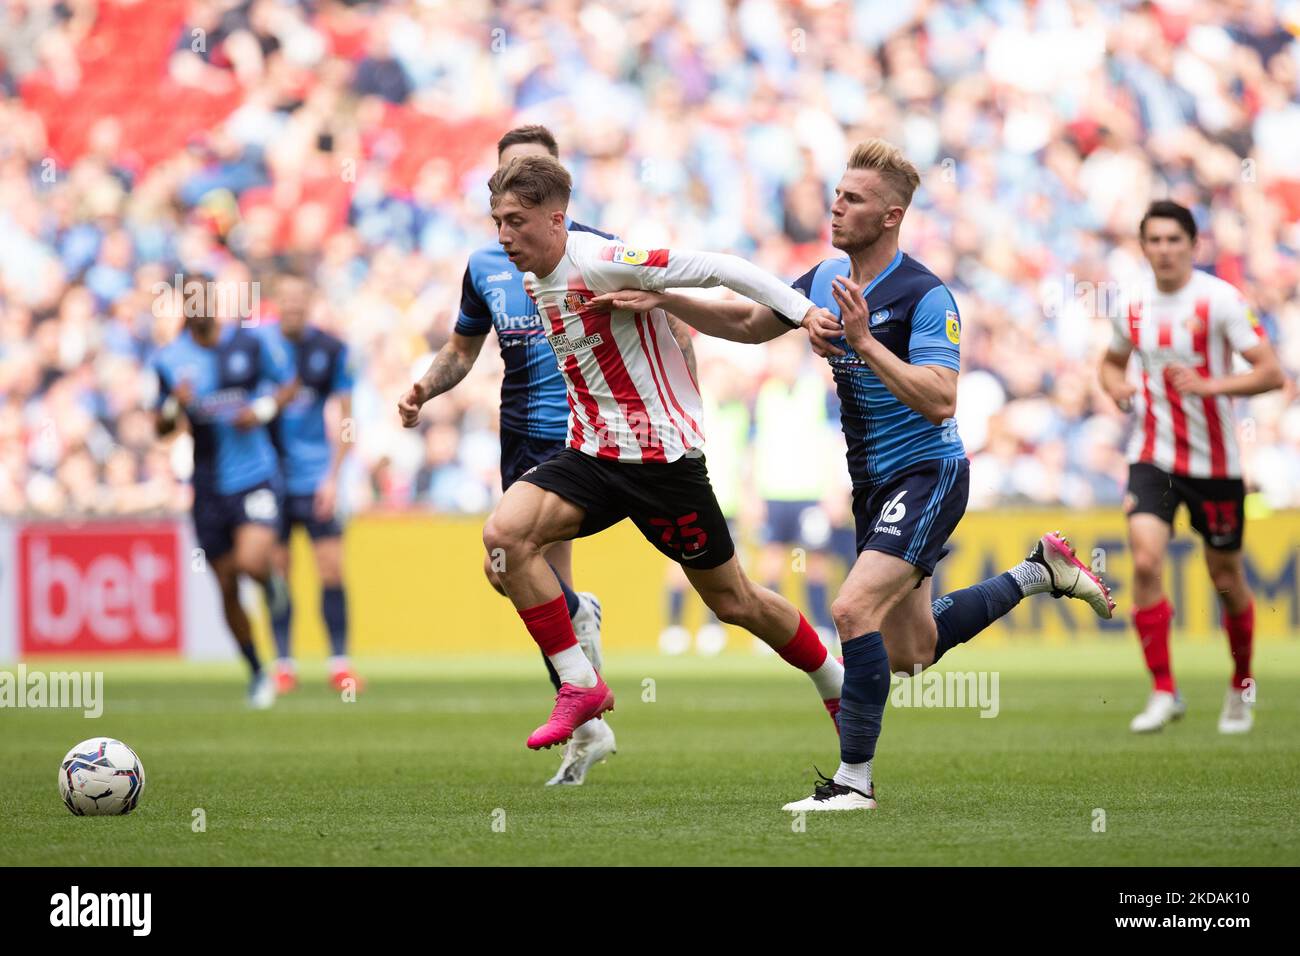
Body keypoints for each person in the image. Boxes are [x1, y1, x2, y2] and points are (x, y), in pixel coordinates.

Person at [593, 140, 1115, 811]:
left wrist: (866, 343)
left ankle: (853, 784)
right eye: (837, 196)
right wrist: (666, 301)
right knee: (913, 653)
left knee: (850, 608)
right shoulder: (822, 279)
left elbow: (940, 398)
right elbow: (753, 324)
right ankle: (1039, 571)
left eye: (854, 200)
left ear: (892, 215)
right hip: (873, 484)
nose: (836, 208)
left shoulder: (926, 297)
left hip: (927, 473)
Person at [473, 154, 846, 752]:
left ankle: (833, 679)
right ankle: (579, 685)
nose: (503, 235)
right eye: (497, 221)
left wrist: (804, 314)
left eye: (516, 220)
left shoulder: (598, 259)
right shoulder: (530, 279)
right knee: (505, 538)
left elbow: (720, 266)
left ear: (555, 218)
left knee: (736, 602)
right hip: (594, 457)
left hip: (662, 464)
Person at [401, 126, 660, 785]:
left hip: (582, 431)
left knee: (507, 562)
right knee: (523, 574)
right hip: (516, 434)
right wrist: (424, 389)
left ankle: (581, 652)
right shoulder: (486, 265)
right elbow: (463, 351)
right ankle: (590, 724)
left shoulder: (596, 250)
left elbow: (663, 323)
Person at [1098, 199, 1285, 735]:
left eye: (1173, 240)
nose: (1163, 250)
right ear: (1143, 247)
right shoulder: (1130, 304)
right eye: (1153, 240)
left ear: (1192, 245)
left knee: (1226, 578)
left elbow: (1271, 374)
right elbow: (1110, 364)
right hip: (1152, 455)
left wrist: (1210, 386)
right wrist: (1117, 390)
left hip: (1216, 463)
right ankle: (1163, 691)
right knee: (1148, 562)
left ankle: (1241, 684)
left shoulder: (1221, 301)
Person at [150, 274, 297, 708]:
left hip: (255, 472)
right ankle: (256, 670)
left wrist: (263, 409)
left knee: (252, 561)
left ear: (215, 300)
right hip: (209, 484)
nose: (198, 305)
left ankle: (269, 581)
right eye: (189, 298)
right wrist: (175, 404)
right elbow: (160, 427)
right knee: (227, 584)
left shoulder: (248, 344)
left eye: (203, 297)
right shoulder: (170, 359)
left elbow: (288, 384)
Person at [261, 272, 362, 694]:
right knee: (278, 571)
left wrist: (333, 477)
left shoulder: (330, 348)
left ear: (310, 301)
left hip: (316, 477)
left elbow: (347, 418)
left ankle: (339, 662)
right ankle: (283, 663)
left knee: (330, 568)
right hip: (269, 479)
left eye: (300, 299)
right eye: (286, 299)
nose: (294, 306)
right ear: (276, 301)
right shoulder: (255, 348)